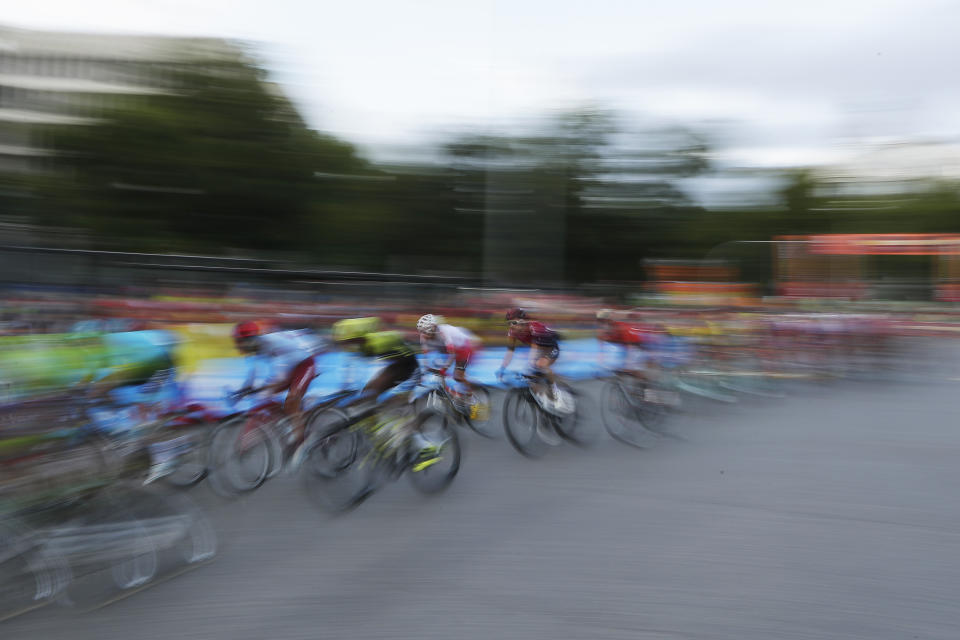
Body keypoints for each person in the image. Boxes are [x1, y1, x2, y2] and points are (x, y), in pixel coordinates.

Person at [330, 317, 437, 470]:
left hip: (410, 369)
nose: (344, 345)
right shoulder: (362, 344)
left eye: (347, 341)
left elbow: (380, 378)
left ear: (358, 337)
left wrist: (366, 398)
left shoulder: (377, 343)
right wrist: (346, 389)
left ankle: (424, 447)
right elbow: (355, 371)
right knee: (368, 394)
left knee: (390, 405)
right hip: (396, 366)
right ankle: (380, 438)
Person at [232, 320, 322, 463]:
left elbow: (279, 373)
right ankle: (295, 419)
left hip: (306, 363)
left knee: (291, 399)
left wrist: (269, 387)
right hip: (291, 366)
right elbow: (253, 372)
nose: (237, 346)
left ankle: (300, 440)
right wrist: (244, 389)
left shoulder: (270, 343)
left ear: (249, 339)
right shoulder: (255, 347)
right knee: (269, 396)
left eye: (239, 342)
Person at [497, 307, 571, 414]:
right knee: (531, 380)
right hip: (539, 349)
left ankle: (555, 393)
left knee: (541, 365)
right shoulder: (512, 332)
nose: (511, 326)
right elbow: (510, 351)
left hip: (551, 347)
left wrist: (531, 366)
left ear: (522, 321)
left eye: (514, 322)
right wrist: (502, 368)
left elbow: (534, 349)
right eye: (509, 323)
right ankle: (544, 403)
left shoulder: (534, 327)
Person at [416, 314, 481, 403]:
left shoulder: (443, 332)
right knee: (438, 373)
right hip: (446, 349)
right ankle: (454, 393)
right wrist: (424, 372)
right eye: (422, 332)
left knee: (457, 376)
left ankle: (471, 397)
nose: (424, 336)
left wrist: (444, 369)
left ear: (433, 329)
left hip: (463, 348)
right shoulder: (423, 335)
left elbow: (452, 355)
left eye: (426, 332)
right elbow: (426, 356)